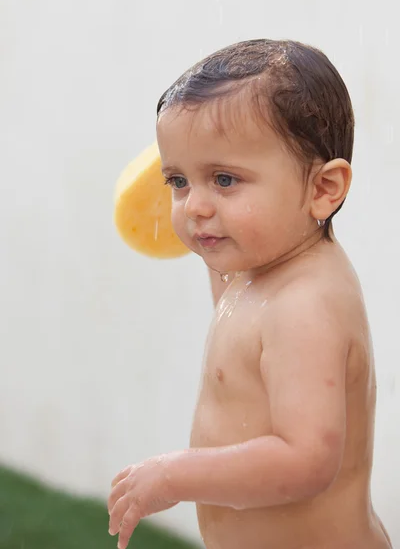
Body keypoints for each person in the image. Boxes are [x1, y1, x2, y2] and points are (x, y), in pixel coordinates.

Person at [107, 39, 392, 549]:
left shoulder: (306, 304)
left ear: (323, 190)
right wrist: (204, 192)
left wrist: (174, 475)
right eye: (177, 180)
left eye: (223, 178)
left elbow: (305, 461)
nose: (193, 205)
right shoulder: (256, 269)